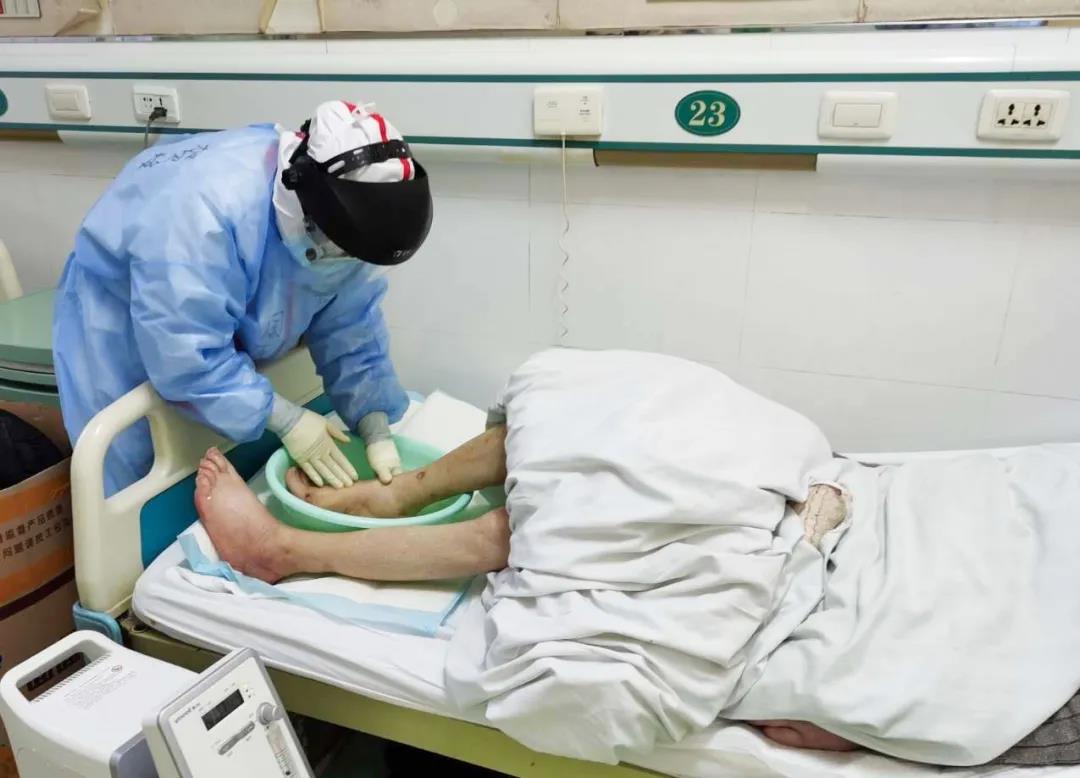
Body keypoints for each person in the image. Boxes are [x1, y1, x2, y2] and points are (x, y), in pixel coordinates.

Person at [192, 348, 1080, 769]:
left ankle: (284, 551)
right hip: (876, 503)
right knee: (615, 418)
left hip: (808, 589)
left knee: (572, 526)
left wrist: (849, 719)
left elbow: (952, 693)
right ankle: (398, 493)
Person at [53, 100, 432, 496]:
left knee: (215, 468)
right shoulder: (203, 214)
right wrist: (286, 420)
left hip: (199, 330)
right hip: (121, 327)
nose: (350, 263)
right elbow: (185, 353)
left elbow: (351, 321)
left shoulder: (342, 227)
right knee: (135, 481)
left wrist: (374, 424)